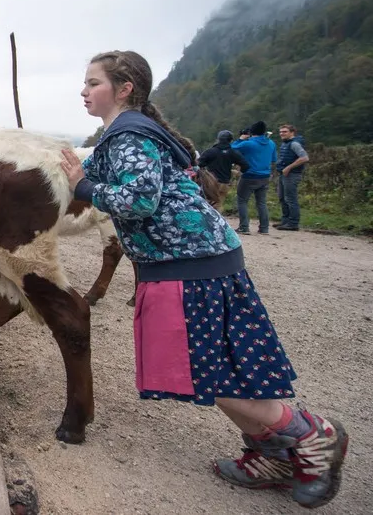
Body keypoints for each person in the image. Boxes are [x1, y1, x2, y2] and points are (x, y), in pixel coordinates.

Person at [59, 50, 347, 510]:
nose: (83, 90)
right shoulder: (124, 134)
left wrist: (84, 188)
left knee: (208, 371)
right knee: (216, 371)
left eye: (93, 82)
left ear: (125, 88)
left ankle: (312, 434)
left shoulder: (130, 135)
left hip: (190, 265)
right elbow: (84, 171)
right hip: (197, 260)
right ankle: (274, 455)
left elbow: (138, 201)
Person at [231, 122, 277, 235]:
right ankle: (264, 228)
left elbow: (231, 148)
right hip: (265, 176)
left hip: (249, 175)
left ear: (251, 132)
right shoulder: (271, 143)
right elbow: (273, 159)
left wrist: (241, 139)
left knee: (242, 201)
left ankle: (244, 227)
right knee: (261, 202)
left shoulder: (248, 144)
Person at [197, 129, 249, 211]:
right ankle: (217, 218)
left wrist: (203, 174)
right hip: (224, 183)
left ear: (218, 139)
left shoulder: (210, 152)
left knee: (207, 204)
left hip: (211, 183)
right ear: (231, 141)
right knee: (218, 204)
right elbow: (246, 166)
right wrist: (236, 173)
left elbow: (198, 164)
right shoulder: (233, 152)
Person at [275, 123, 308, 232]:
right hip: (283, 174)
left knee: (290, 199)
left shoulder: (294, 144)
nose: (282, 134)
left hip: (292, 174)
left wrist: (289, 167)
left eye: (285, 132)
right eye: (280, 132)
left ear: (292, 132)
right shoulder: (285, 143)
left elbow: (304, 158)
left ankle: (293, 223)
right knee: (282, 198)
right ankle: (285, 221)